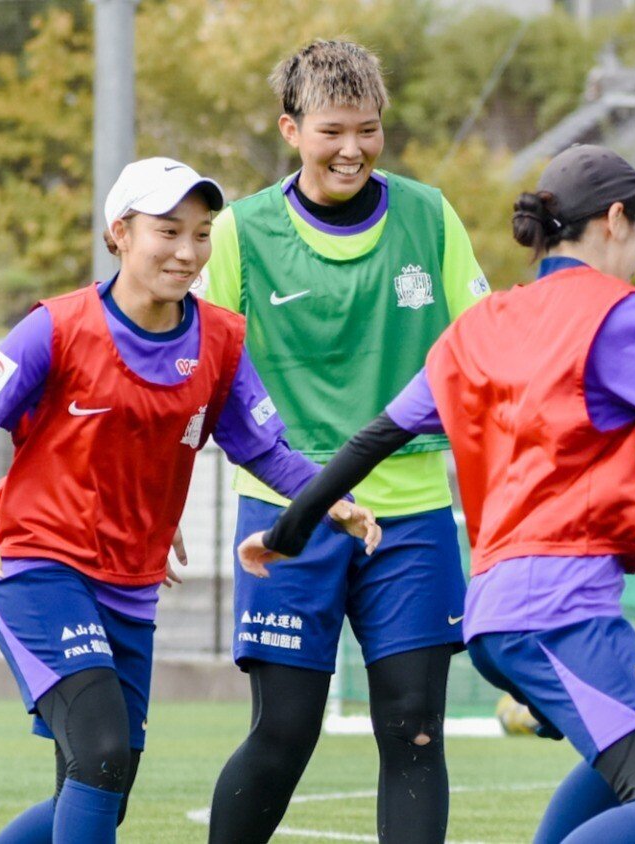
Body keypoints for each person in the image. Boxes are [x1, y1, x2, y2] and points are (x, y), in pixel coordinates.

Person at [240, 144, 635, 844]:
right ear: (616, 218)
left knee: (622, 761)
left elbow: (370, 439)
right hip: (559, 605)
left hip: (493, 610)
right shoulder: (618, 312)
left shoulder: (478, 325)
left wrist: (289, 531)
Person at [0, 158, 372, 844]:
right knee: (101, 756)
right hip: (39, 569)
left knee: (105, 788)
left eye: (202, 233)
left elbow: (261, 449)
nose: (188, 251)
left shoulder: (221, 339)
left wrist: (331, 500)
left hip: (131, 585)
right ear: (120, 234)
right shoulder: (56, 327)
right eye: (168, 231)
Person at [199, 40, 490, 843]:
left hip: (415, 516)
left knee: (414, 731)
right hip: (287, 515)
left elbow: (483, 359)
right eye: (332, 131)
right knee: (284, 732)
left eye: (368, 129)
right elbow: (201, 374)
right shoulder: (241, 232)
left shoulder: (429, 216)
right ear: (291, 129)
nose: (352, 148)